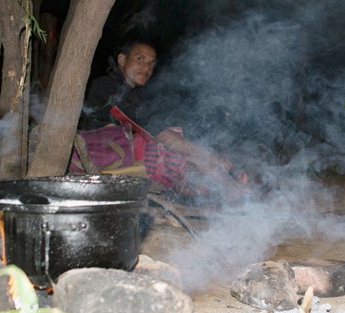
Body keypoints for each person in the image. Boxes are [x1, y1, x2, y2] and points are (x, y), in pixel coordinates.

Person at [77, 40, 251, 202]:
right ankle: (227, 188)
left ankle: (222, 187)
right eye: (140, 59)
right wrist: (207, 156)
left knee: (178, 142)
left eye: (151, 63)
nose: (146, 67)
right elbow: (152, 132)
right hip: (102, 156)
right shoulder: (107, 84)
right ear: (122, 60)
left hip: (122, 155)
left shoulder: (133, 96)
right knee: (170, 145)